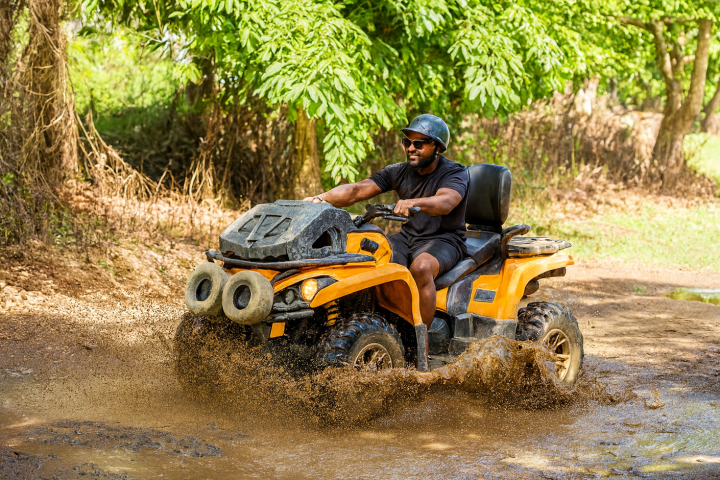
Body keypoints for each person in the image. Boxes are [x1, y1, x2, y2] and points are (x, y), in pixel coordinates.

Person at [303, 114, 469, 358]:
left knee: (421, 267)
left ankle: (420, 345)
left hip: (445, 240)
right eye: (407, 142)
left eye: (419, 143)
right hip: (408, 237)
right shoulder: (399, 171)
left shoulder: (454, 172)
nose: (411, 148)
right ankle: (373, 325)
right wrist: (320, 199)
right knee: (366, 255)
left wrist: (414, 202)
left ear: (436, 147)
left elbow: (446, 202)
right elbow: (358, 189)